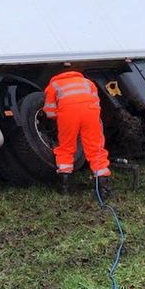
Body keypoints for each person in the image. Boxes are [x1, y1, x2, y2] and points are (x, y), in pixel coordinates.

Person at [43, 64, 112, 195]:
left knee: (66, 148)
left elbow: (50, 112)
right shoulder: (88, 82)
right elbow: (97, 103)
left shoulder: (54, 85)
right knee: (95, 147)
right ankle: (103, 186)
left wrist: (57, 118)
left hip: (68, 116)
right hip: (91, 114)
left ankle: (65, 185)